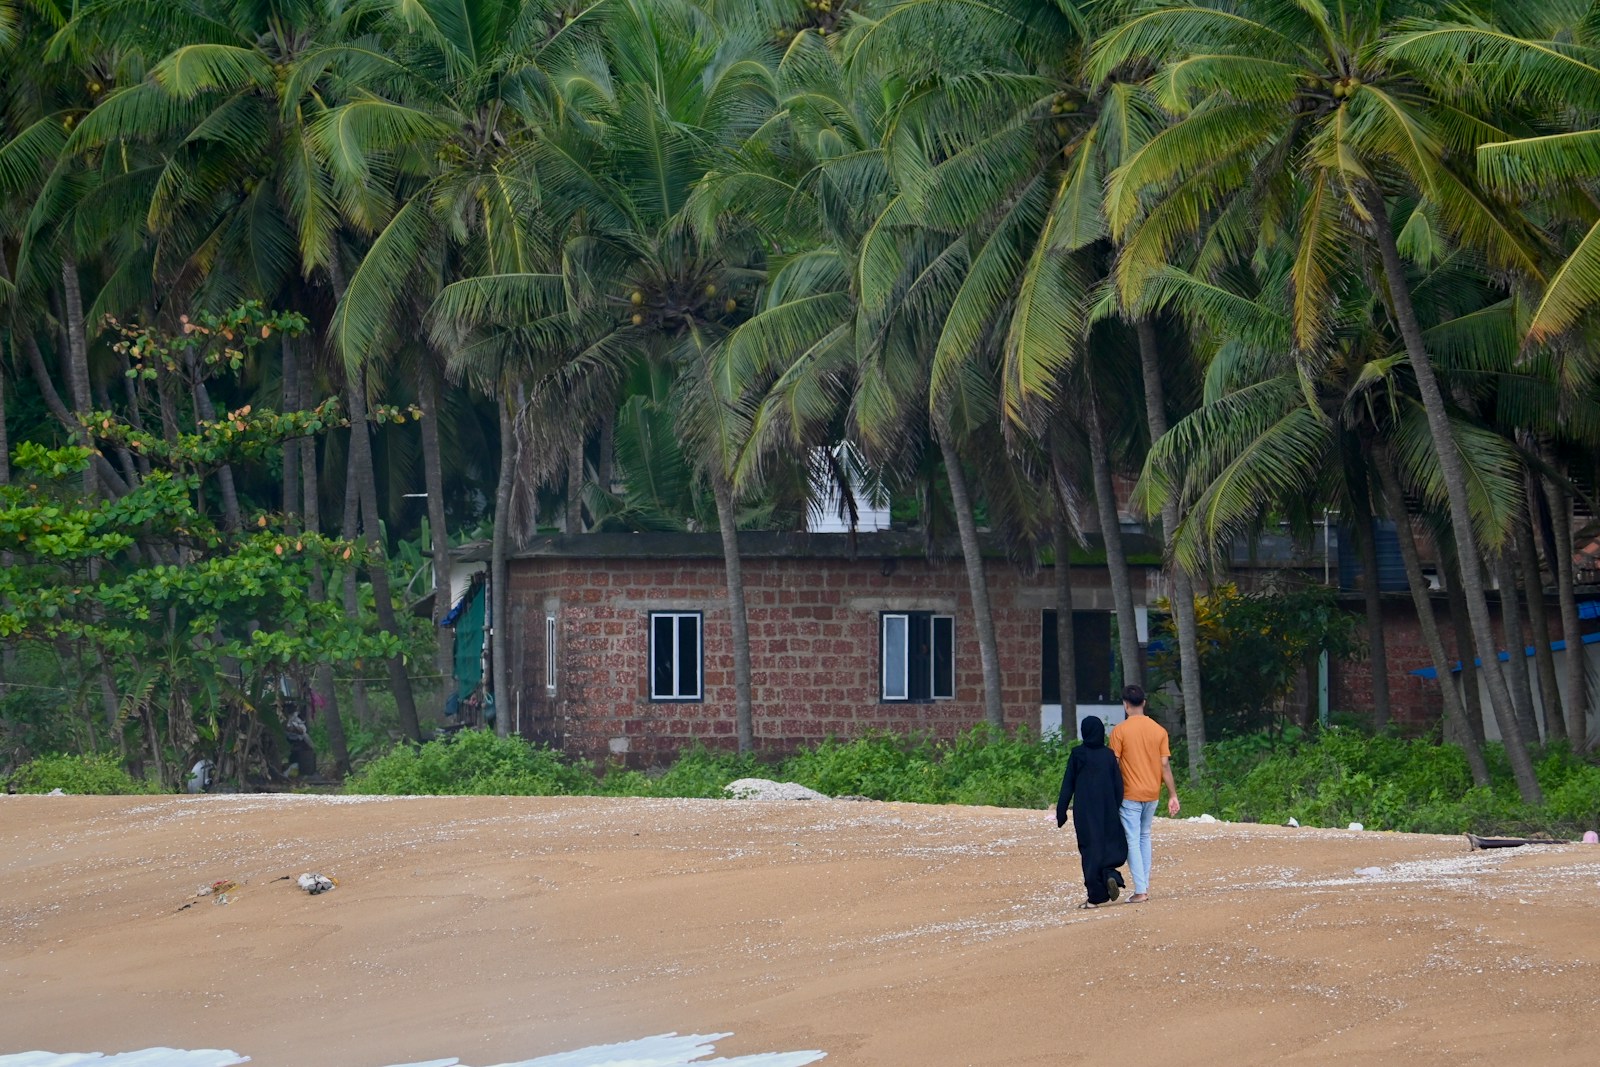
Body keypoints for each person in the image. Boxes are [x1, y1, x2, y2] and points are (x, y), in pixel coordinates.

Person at [1108, 684, 1180, 904]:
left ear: (1125, 705)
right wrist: (1173, 795)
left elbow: (1115, 764)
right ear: (1144, 703)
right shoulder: (1159, 730)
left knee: (1132, 839)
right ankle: (1144, 885)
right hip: (1152, 792)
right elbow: (1164, 765)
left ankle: (1141, 890)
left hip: (1129, 793)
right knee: (1144, 836)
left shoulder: (1119, 731)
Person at [1055, 715, 1128, 909]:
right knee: (1108, 844)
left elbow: (1067, 785)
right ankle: (1111, 874)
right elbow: (1118, 786)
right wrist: (1115, 805)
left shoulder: (1078, 754)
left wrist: (1061, 812)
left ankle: (1095, 896)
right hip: (1108, 810)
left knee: (1089, 849)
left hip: (1086, 812)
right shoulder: (1108, 755)